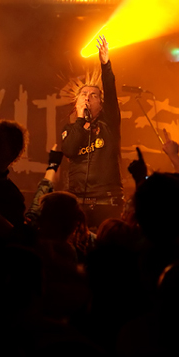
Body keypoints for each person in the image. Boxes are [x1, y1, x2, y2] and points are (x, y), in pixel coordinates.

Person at [61, 35, 123, 229]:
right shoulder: (70, 128)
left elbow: (111, 92)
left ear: (101, 103)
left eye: (93, 95)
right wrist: (80, 118)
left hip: (107, 202)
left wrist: (106, 65)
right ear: (76, 101)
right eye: (84, 94)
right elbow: (69, 150)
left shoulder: (109, 123)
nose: (88, 97)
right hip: (78, 204)